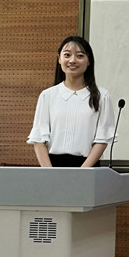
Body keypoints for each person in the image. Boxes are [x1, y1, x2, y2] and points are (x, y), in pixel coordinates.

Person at [27, 36, 116, 167]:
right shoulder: (47, 95)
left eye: (80, 56)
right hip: (52, 167)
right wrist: (49, 172)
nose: (72, 60)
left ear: (89, 61)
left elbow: (102, 140)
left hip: (87, 167)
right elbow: (39, 140)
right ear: (59, 59)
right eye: (67, 55)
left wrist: (81, 172)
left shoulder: (102, 96)